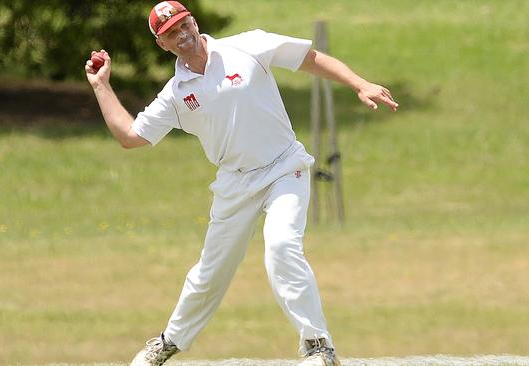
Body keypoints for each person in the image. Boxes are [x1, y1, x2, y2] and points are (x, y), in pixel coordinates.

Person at [84, 1, 398, 366]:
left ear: (194, 22)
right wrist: (101, 85)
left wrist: (359, 84)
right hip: (234, 183)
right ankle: (168, 342)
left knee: (281, 246)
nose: (182, 35)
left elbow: (309, 58)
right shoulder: (175, 93)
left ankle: (318, 346)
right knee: (210, 273)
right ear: (162, 44)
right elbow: (130, 135)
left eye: (185, 25)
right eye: (171, 33)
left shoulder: (247, 45)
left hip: (284, 167)